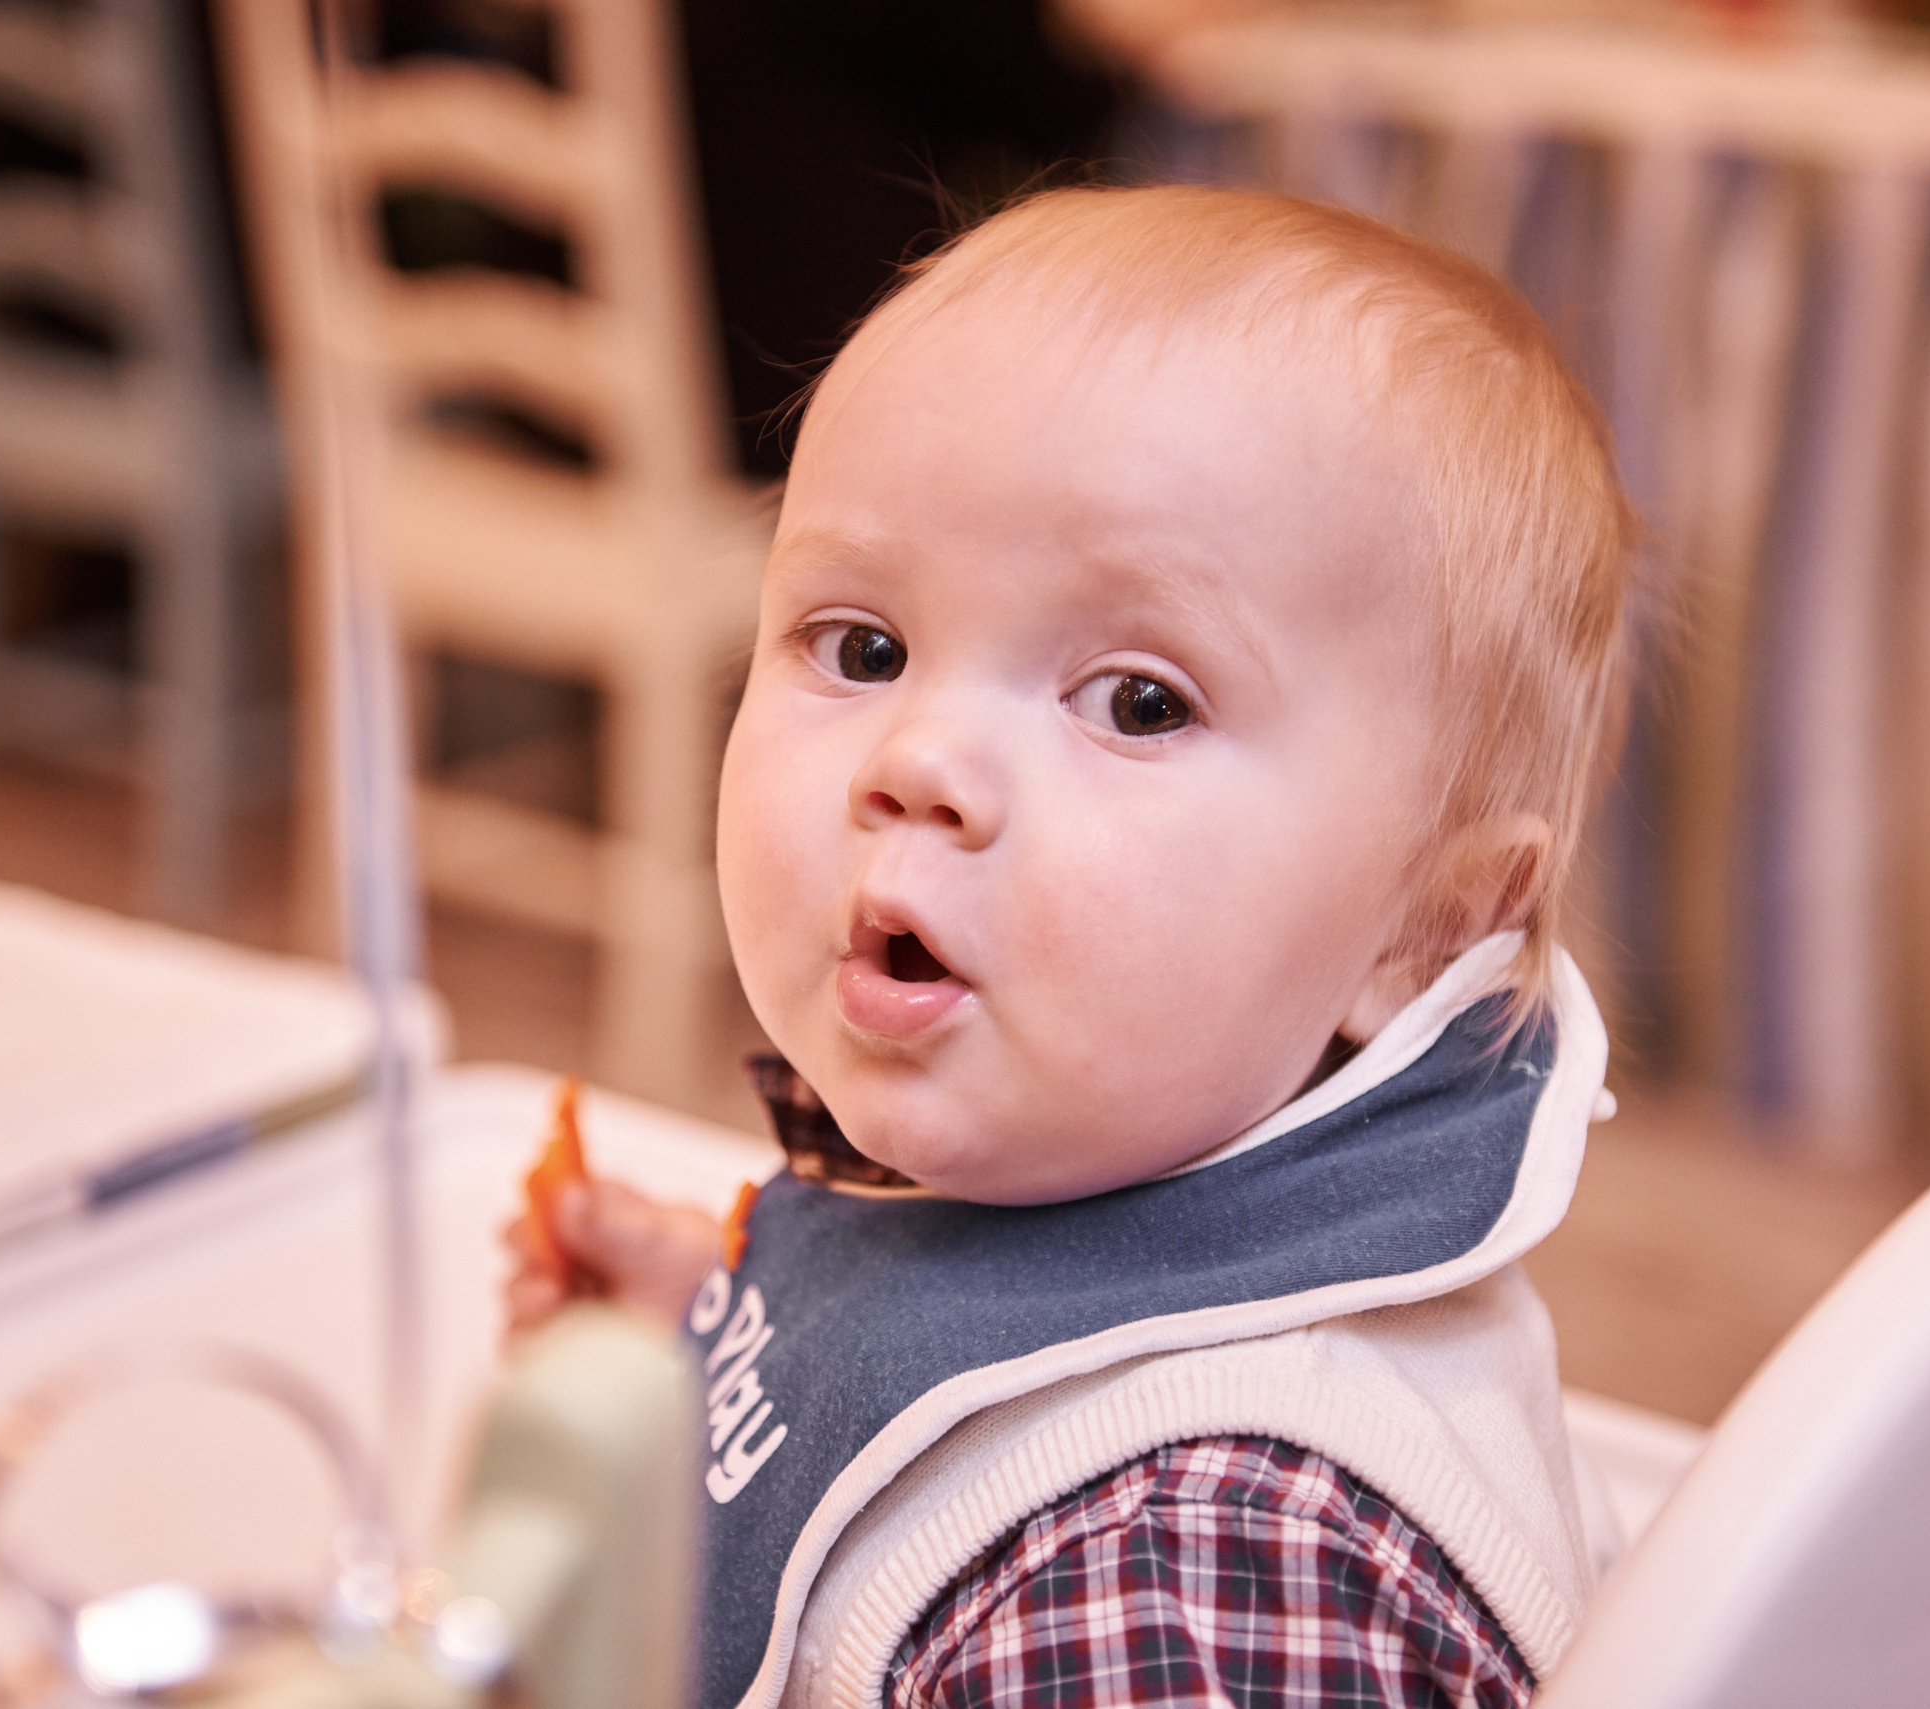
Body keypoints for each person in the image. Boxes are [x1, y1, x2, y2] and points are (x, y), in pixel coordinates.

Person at [506, 183, 1637, 1709]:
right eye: (863, 647)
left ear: (1428, 925)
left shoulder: (1180, 1565)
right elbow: (941, 1341)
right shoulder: (1101, 1134)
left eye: (1138, 700)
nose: (919, 759)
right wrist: (715, 1331)